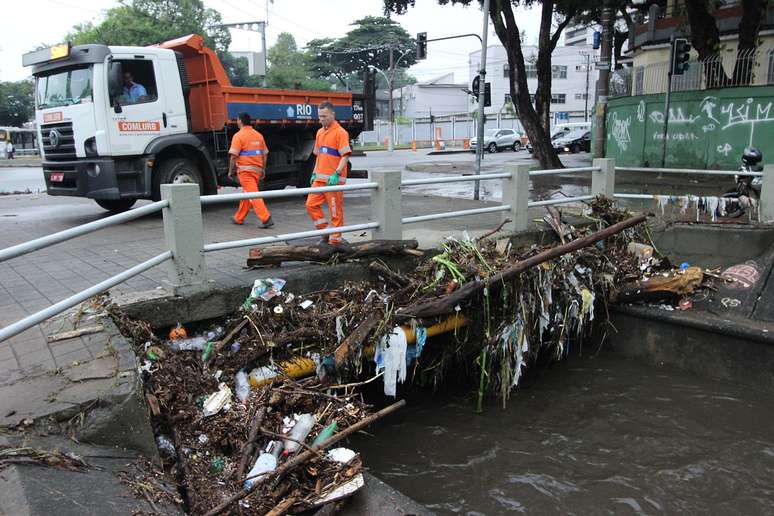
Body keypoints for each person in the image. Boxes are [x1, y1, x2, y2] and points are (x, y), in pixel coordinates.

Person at [305, 101, 351, 245]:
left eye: (324, 116)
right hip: (319, 179)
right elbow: (318, 156)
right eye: (319, 117)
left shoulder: (341, 132)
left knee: (335, 212)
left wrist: (337, 173)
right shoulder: (319, 132)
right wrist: (313, 173)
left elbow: (345, 156)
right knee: (310, 205)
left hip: (334, 180)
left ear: (333, 115)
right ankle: (326, 232)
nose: (321, 119)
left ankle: (335, 241)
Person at [229, 112, 274, 228]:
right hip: (257, 171)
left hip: (245, 172)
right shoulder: (258, 135)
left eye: (237, 120)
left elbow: (234, 156)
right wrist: (263, 169)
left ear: (240, 121)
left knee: (253, 195)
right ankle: (239, 218)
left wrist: (230, 171)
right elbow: (265, 154)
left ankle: (266, 218)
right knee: (247, 194)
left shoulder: (238, 136)